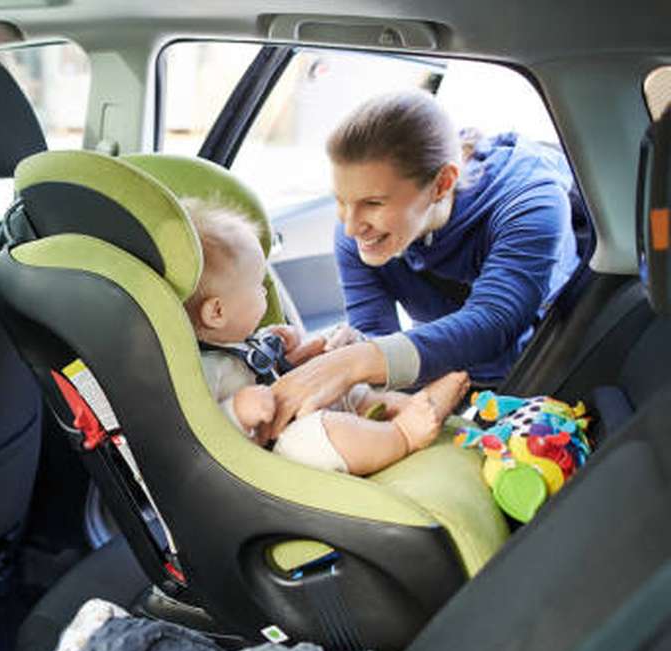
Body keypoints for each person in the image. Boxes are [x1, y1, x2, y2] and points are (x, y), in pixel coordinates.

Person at [265, 90, 581, 438]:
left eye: (372, 202)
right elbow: (377, 337)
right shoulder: (355, 233)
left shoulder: (531, 202)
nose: (352, 226)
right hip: (446, 374)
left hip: (544, 372)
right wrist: (350, 347)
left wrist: (353, 363)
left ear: (442, 184)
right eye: (341, 200)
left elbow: (495, 319)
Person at [182, 197, 469, 476]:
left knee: (347, 391)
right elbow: (200, 439)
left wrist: (285, 348)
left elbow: (263, 367)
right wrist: (236, 412)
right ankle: (402, 433)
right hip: (277, 448)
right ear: (217, 312)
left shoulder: (237, 339)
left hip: (296, 407)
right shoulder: (203, 370)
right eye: (257, 284)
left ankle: (404, 405)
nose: (266, 291)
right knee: (319, 433)